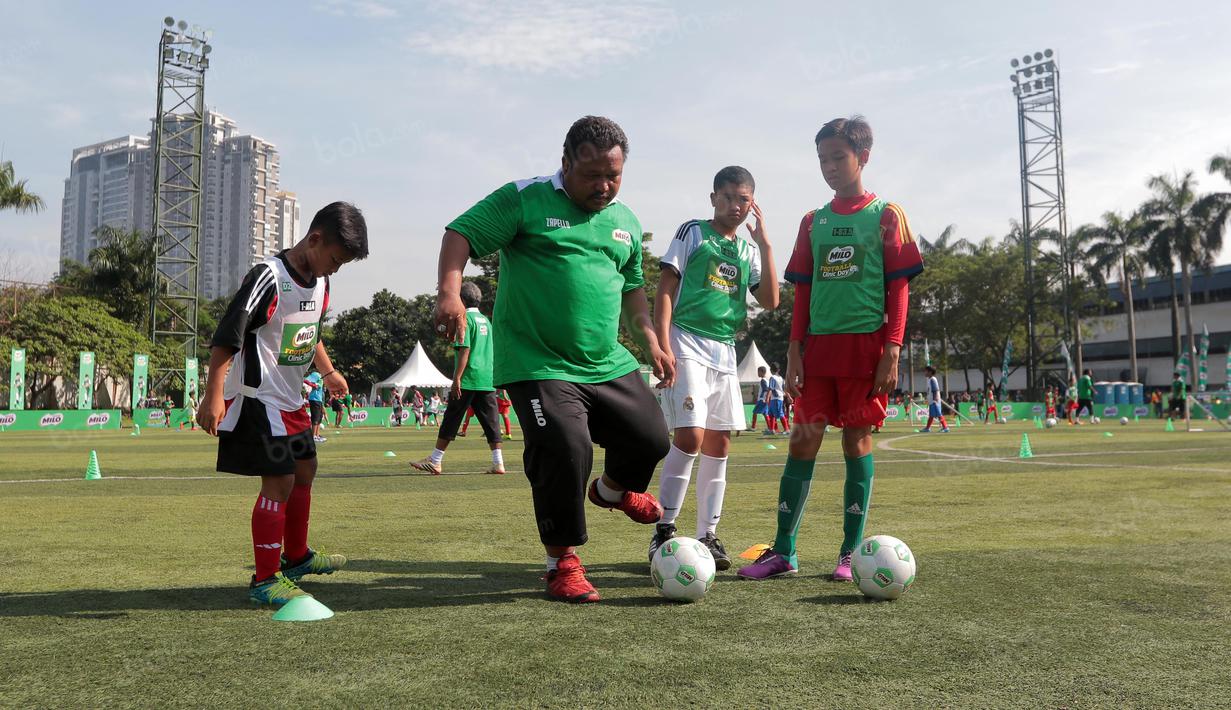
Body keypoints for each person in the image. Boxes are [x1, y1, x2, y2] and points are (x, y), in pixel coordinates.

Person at [432, 115, 672, 603]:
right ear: (566, 164)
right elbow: (460, 234)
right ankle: (562, 562)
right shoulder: (526, 197)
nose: (604, 186)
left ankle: (609, 491)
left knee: (651, 438)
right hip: (536, 361)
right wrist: (448, 294)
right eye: (593, 176)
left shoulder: (625, 221)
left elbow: (632, 291)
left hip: (605, 360)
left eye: (614, 176)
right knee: (565, 447)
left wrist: (650, 339)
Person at [738, 116, 923, 582]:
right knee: (802, 443)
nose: (829, 167)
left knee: (855, 441)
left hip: (865, 348)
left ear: (863, 156)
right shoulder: (812, 221)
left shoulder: (886, 215)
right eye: (822, 159)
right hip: (818, 351)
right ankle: (783, 551)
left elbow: (899, 289)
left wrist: (893, 350)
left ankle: (848, 555)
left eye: (838, 157)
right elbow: (802, 292)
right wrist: (795, 352)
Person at [197, 201, 368, 605]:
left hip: (293, 399)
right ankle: (265, 579)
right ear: (314, 238)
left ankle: (296, 558)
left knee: (306, 468)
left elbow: (310, 331)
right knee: (280, 480)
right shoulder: (268, 277)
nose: (335, 268)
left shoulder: (322, 284)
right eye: (335, 259)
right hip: (262, 399)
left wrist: (328, 372)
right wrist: (213, 395)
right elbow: (228, 334)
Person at [650, 165, 779, 570]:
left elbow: (772, 300)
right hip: (686, 341)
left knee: (719, 445)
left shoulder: (747, 252)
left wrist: (766, 245)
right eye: (727, 197)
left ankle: (708, 534)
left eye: (743, 199)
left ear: (752, 204)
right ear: (713, 199)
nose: (735, 206)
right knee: (690, 436)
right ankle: (664, 530)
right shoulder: (693, 232)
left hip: (725, 350)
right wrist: (662, 343)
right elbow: (666, 287)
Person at [411, 281, 506, 476]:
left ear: (460, 300)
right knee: (492, 422)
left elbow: (465, 349)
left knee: (452, 418)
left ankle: (436, 460)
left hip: (469, 378)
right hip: (487, 378)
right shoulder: (486, 321)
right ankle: (499, 463)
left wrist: (457, 379)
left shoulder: (465, 320)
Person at [920, 365, 949, 433]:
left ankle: (945, 427)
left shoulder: (933, 379)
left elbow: (935, 389)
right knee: (931, 415)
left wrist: (935, 398)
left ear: (930, 372)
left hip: (934, 401)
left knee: (939, 414)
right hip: (932, 401)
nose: (925, 372)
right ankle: (927, 428)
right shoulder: (929, 379)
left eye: (926, 371)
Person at [748, 366, 769, 432]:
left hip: (762, 400)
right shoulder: (766, 380)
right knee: (765, 414)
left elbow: (766, 389)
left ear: (762, 372)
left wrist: (762, 398)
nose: (757, 373)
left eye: (758, 372)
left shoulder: (763, 380)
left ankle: (753, 427)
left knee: (754, 412)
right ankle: (770, 427)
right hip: (764, 399)